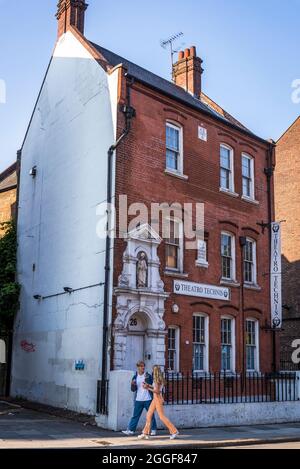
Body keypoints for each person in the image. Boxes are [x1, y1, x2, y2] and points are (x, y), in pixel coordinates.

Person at [138, 365, 179, 440]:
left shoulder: (157, 380)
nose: (152, 372)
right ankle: (145, 433)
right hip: (155, 399)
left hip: (157, 398)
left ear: (155, 371)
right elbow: (155, 388)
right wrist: (148, 385)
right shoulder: (157, 379)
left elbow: (157, 391)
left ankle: (174, 431)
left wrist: (147, 388)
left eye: (153, 370)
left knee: (161, 416)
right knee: (149, 414)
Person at [122, 360, 157, 436]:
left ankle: (153, 429)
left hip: (148, 399)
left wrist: (147, 385)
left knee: (151, 415)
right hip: (138, 399)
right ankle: (131, 430)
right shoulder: (135, 377)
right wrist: (133, 384)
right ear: (138, 367)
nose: (143, 367)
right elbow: (133, 389)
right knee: (135, 416)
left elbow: (154, 386)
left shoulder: (148, 376)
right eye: (141, 366)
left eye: (143, 366)